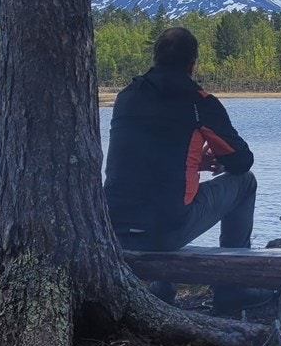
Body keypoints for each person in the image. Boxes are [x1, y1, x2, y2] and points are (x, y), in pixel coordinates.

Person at [104, 26, 256, 308]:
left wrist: (195, 160)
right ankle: (232, 289)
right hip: (165, 232)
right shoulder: (199, 101)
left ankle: (163, 290)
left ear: (155, 58)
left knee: (159, 195)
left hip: (114, 226)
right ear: (193, 64)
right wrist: (218, 160)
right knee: (246, 182)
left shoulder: (127, 96)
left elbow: (146, 153)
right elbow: (242, 160)